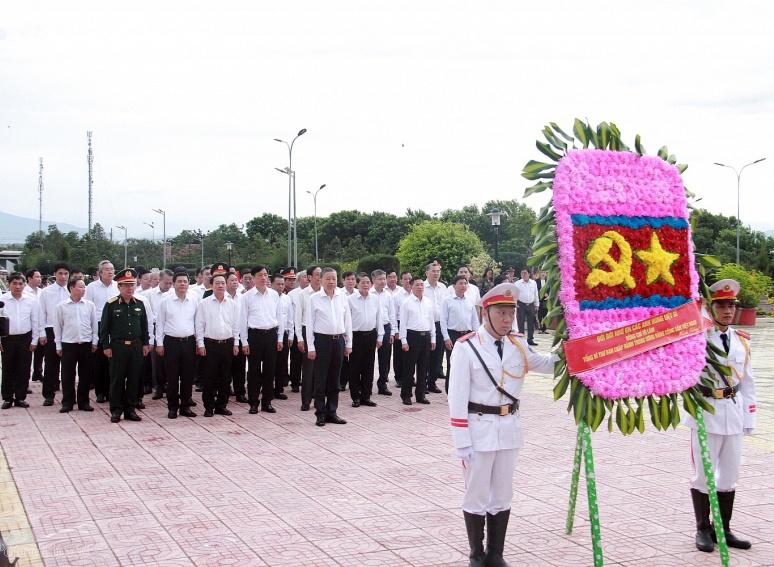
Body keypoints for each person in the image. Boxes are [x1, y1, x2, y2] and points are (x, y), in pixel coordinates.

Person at [448, 282, 556, 566]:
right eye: (501, 313)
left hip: (509, 429)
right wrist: (462, 441)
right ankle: (476, 554)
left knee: (503, 492)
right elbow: (456, 398)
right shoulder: (467, 347)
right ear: (486, 312)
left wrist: (581, 349)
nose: (508, 320)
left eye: (511, 313)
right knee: (477, 492)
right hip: (478, 430)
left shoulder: (518, 344)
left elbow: (547, 364)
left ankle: (496, 554)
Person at [683, 279, 756, 553]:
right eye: (721, 305)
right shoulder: (697, 338)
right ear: (710, 307)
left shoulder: (741, 341)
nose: (727, 310)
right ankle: (702, 529)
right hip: (706, 412)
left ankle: (722, 528)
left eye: (731, 305)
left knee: (730, 475)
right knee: (703, 474)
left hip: (734, 414)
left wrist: (750, 417)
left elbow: (747, 382)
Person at [99, 269, 151, 423]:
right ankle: (116, 410)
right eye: (126, 285)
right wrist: (106, 346)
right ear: (119, 287)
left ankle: (130, 409)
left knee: (134, 379)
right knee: (117, 379)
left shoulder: (139, 304)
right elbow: (104, 329)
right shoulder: (111, 305)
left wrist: (146, 343)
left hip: (135, 346)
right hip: (118, 347)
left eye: (132, 285)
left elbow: (144, 326)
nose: (130, 288)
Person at [306, 267, 352, 426]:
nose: (331, 282)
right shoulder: (314, 298)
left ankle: (332, 411)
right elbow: (309, 325)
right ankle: (320, 412)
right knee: (320, 378)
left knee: (335, 379)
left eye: (333, 278)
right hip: (321, 341)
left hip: (338, 341)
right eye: (327, 279)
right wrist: (310, 346)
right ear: (321, 280)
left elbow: (347, 321)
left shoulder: (342, 297)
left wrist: (348, 343)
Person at [196, 267, 240, 417]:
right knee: (209, 377)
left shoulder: (232, 304)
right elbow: (199, 325)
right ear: (211, 285)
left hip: (227, 344)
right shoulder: (204, 303)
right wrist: (200, 344)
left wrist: (236, 344)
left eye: (222, 283)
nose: (220, 286)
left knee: (225, 378)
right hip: (210, 345)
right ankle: (209, 406)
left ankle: (222, 405)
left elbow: (235, 325)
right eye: (217, 283)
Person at [241, 264, 284, 414]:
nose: (263, 278)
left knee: (269, 370)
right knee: (253, 371)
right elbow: (242, 321)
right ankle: (253, 402)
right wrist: (244, 341)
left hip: (271, 335)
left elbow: (279, 317)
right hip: (255, 335)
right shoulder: (247, 297)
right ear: (253, 278)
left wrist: (280, 339)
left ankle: (267, 401)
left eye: (266, 275)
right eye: (260, 275)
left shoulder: (274, 295)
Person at [155, 269, 198, 419]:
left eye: (185, 281)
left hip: (189, 342)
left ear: (188, 284)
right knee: (172, 377)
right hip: (171, 342)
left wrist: (199, 343)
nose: (182, 284)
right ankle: (172, 407)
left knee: (187, 376)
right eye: (179, 281)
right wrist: (159, 343)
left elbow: (197, 324)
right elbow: (160, 323)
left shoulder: (194, 300)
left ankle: (185, 406)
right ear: (173, 284)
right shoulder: (166, 301)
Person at [54, 278, 98, 412]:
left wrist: (94, 341)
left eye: (84, 287)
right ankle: (67, 402)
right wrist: (58, 345)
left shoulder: (89, 305)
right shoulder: (61, 306)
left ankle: (83, 402)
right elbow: (58, 327)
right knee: (68, 375)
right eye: (80, 287)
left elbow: (94, 324)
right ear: (71, 288)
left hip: (85, 343)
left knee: (85, 374)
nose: (83, 290)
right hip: (69, 344)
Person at [0, 272, 39, 409]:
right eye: (14, 283)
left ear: (24, 284)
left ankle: (20, 397)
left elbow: (35, 321)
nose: (18, 286)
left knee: (24, 368)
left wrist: (34, 340)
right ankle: (7, 398)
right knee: (7, 368)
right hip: (7, 339)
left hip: (25, 338)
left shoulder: (31, 300)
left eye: (20, 283)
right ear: (9, 285)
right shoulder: (2, 300)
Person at [85, 260, 119, 404]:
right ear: (100, 273)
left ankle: (112, 391)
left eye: (112, 269)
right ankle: (100, 392)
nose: (110, 272)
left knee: (114, 360)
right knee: (100, 360)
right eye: (106, 270)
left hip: (116, 325)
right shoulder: (91, 288)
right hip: (99, 325)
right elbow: (88, 309)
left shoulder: (118, 286)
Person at [347, 272, 383, 408]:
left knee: (369, 367)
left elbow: (379, 318)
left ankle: (366, 396)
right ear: (357, 284)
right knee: (355, 368)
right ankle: (355, 396)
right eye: (363, 282)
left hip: (371, 335)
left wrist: (380, 336)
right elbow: (347, 321)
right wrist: (348, 340)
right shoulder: (350, 300)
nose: (366, 285)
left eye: (368, 282)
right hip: (356, 336)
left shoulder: (375, 299)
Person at [399, 276, 435, 405]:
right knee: (409, 368)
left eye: (421, 285)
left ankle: (420, 394)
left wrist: (433, 338)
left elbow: (431, 321)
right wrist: (404, 341)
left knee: (423, 367)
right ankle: (406, 395)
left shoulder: (428, 302)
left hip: (425, 336)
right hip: (412, 336)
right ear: (411, 286)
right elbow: (402, 323)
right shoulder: (406, 303)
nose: (420, 287)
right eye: (417, 285)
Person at [441, 275, 480, 393]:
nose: (463, 286)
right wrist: (446, 338)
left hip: (468, 335)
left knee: (468, 364)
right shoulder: (447, 301)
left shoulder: (470, 300)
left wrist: (476, 334)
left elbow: (474, 319)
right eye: (460, 283)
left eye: (465, 283)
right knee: (452, 363)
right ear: (454, 286)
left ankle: (465, 391)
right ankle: (451, 391)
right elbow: (443, 321)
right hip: (453, 335)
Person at [38, 262, 70, 406]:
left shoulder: (74, 289)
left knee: (68, 364)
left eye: (65, 274)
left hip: (69, 329)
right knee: (51, 363)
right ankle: (49, 394)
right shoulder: (46, 292)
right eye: (60, 274)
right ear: (55, 274)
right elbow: (41, 313)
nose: (63, 277)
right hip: (51, 329)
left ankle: (69, 394)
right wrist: (42, 333)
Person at [144, 269, 174, 400]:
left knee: (171, 361)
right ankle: (159, 386)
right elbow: (149, 317)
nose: (168, 286)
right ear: (159, 280)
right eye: (166, 283)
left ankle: (170, 386)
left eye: (170, 283)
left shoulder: (174, 294)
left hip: (171, 329)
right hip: (156, 328)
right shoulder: (148, 295)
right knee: (157, 361)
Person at [295, 266, 322, 411]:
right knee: (309, 368)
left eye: (321, 274)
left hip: (323, 333)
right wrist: (300, 338)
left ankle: (319, 398)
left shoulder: (328, 293)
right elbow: (298, 318)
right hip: (307, 331)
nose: (319, 277)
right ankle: (306, 400)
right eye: (317, 274)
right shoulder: (303, 294)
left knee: (322, 369)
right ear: (309, 277)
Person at [423, 262, 446, 393]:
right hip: (427, 325)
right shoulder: (422, 287)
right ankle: (423, 382)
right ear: (427, 273)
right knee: (426, 355)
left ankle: (432, 382)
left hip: (440, 324)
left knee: (437, 355)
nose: (436, 273)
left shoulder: (443, 287)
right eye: (433, 271)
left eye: (438, 271)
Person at [372, 269, 396, 397]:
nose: (382, 282)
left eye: (383, 279)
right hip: (372, 329)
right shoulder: (369, 294)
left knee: (385, 357)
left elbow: (392, 314)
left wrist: (392, 332)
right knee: (369, 358)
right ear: (373, 280)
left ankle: (382, 384)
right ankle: (366, 384)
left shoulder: (388, 295)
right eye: (379, 279)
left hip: (386, 327)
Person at [271, 272, 293, 399]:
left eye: (282, 284)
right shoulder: (268, 298)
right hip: (270, 333)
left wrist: (290, 335)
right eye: (278, 284)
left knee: (281, 363)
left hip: (283, 334)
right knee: (269, 362)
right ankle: (267, 387)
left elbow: (290, 318)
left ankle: (278, 389)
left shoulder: (286, 298)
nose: (280, 287)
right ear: (272, 284)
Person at [391, 271, 412, 390]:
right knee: (399, 354)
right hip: (400, 324)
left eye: (410, 279)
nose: (408, 281)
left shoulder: (415, 294)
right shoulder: (397, 296)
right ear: (401, 281)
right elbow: (393, 315)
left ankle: (409, 377)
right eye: (405, 279)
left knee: (411, 354)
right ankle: (399, 378)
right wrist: (396, 331)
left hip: (412, 326)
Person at [24, 268, 45, 383]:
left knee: (40, 353)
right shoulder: (24, 292)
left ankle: (38, 372)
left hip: (40, 326)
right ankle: (24, 380)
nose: (39, 279)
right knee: (26, 357)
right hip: (28, 328)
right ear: (29, 278)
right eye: (37, 277)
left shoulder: (42, 292)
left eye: (40, 277)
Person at [514, 268, 539, 346]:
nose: (523, 275)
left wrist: (537, 304)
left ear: (528, 274)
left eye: (525, 273)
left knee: (531, 322)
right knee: (520, 322)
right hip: (520, 304)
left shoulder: (533, 283)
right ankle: (521, 339)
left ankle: (530, 339)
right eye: (522, 273)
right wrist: (515, 305)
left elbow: (535, 294)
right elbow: (515, 294)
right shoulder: (517, 283)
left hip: (531, 304)